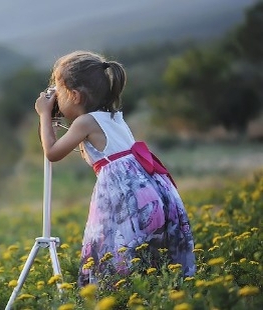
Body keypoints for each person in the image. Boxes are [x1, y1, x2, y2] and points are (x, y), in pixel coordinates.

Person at [34, 50, 195, 287]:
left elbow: (52, 153)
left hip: (125, 198)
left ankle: (116, 297)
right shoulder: (113, 116)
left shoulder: (85, 122)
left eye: (59, 90)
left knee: (113, 251)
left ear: (75, 95)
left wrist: (44, 115)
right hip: (154, 192)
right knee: (148, 257)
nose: (55, 97)